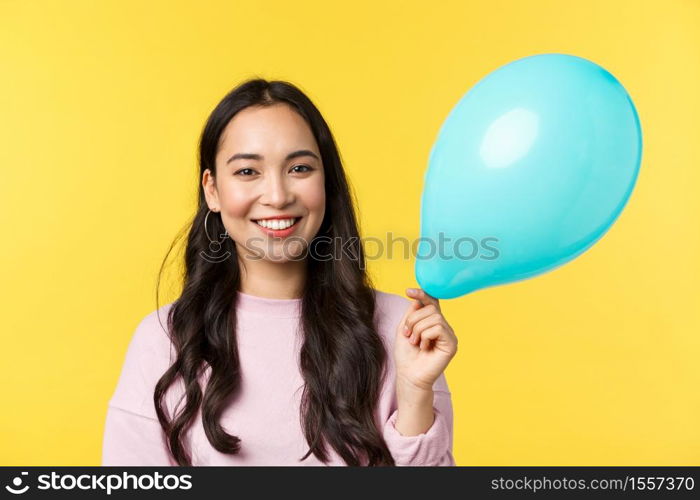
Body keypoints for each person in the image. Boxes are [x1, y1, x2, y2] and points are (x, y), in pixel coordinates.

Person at [101, 79, 459, 466]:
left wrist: (414, 393)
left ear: (326, 181)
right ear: (212, 190)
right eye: (247, 172)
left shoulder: (401, 331)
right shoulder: (164, 338)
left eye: (300, 168)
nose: (277, 195)